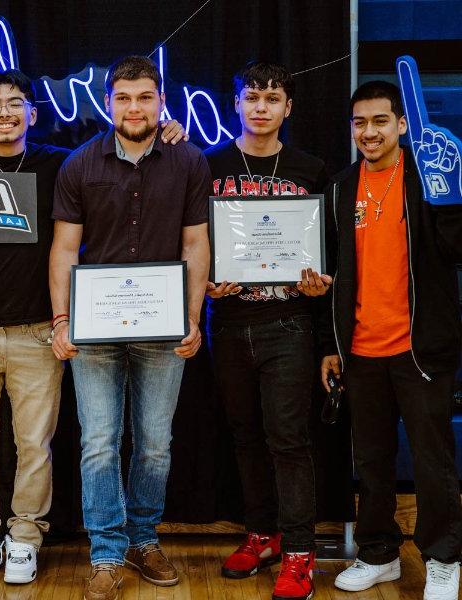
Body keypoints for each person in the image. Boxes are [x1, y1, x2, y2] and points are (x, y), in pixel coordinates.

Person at [0, 68, 186, 587]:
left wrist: (169, 128)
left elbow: (126, 148)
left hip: (38, 330)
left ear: (33, 114)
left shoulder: (57, 165)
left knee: (34, 444)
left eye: (15, 103)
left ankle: (25, 537)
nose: (4, 112)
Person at [49, 55, 210, 600]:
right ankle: (106, 553)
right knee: (98, 442)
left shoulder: (188, 160)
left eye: (144, 97)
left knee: (156, 444)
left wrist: (193, 317)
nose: (134, 107)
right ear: (109, 101)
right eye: (124, 97)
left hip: (163, 330)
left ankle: (144, 538)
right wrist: (61, 318)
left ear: (160, 100)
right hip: (95, 331)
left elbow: (195, 243)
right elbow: (64, 247)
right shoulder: (79, 164)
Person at [321, 80, 462, 600]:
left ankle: (444, 557)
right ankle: (379, 554)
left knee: (432, 461)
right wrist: (331, 343)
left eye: (380, 121)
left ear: (402, 125)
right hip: (360, 350)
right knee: (372, 461)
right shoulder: (340, 188)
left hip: (419, 350)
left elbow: (455, 250)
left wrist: (452, 194)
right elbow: (333, 275)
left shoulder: (429, 179)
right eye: (359, 122)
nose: (369, 132)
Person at [204, 62, 331, 600]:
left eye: (272, 99)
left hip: (290, 324)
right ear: (236, 103)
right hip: (228, 323)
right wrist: (203, 282)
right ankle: (262, 535)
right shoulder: (207, 165)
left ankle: (300, 554)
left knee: (288, 439)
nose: (261, 107)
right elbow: (193, 240)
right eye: (251, 97)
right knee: (245, 436)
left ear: (288, 108)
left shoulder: (311, 168)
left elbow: (329, 248)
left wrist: (321, 281)